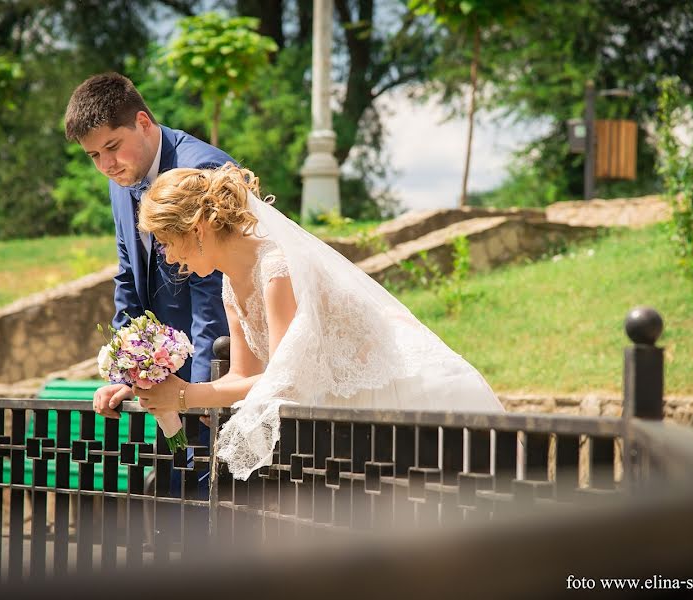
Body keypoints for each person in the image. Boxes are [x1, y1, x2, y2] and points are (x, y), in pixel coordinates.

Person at [134, 163, 505, 480]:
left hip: (400, 393)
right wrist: (180, 394)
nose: (166, 255)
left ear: (197, 228)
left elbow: (285, 380)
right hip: (344, 411)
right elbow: (241, 376)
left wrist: (186, 395)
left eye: (166, 241)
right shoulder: (231, 285)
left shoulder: (276, 269)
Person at [64, 72, 232, 495]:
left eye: (112, 148)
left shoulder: (203, 169)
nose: (105, 165)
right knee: (173, 496)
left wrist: (197, 392)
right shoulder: (118, 184)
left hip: (212, 370)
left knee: (208, 495)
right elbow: (128, 278)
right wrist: (128, 372)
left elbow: (211, 290)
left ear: (142, 122)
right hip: (163, 378)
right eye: (93, 156)